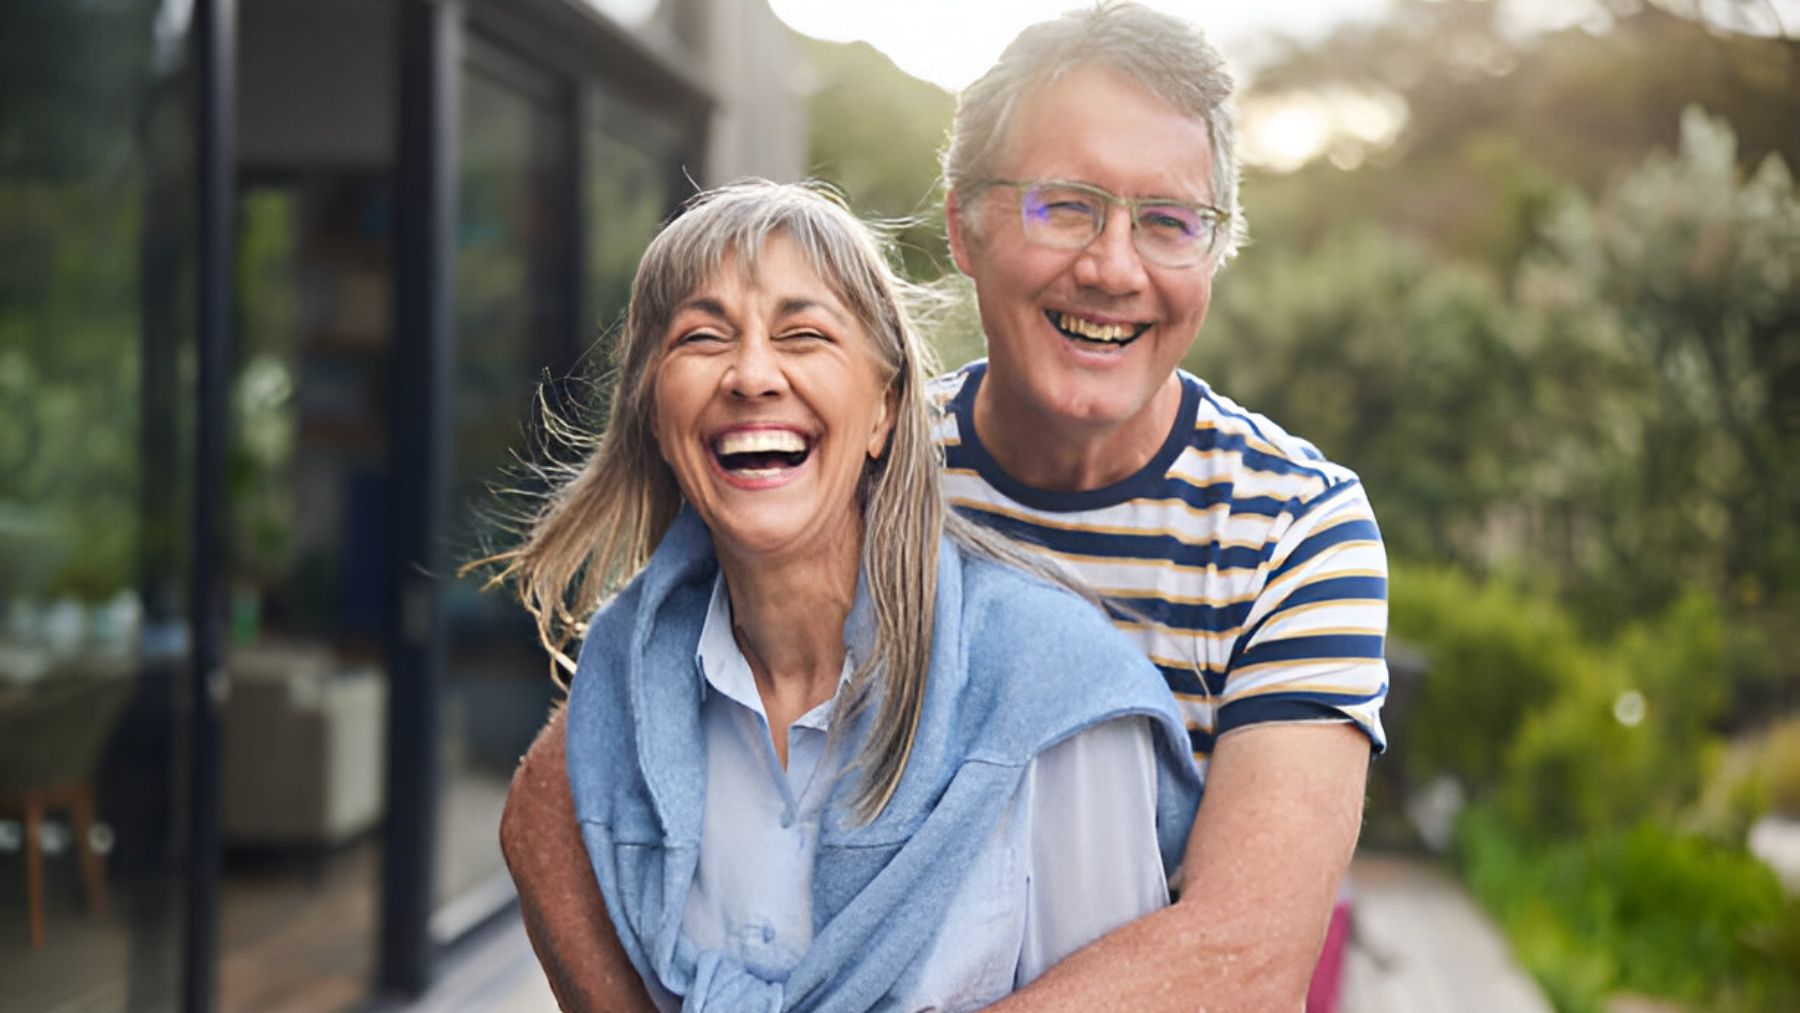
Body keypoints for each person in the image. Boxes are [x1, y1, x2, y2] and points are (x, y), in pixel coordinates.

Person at [501, 4, 1390, 1010]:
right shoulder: (840, 453)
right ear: (965, 222)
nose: (1112, 266)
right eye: (1066, 205)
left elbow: (1242, 957)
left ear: (1212, 254)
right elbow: (571, 778)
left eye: (1168, 221)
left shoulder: (1296, 528)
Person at [482, 179, 1204, 1011]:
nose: (752, 373)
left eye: (804, 334)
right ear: (655, 415)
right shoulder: (624, 697)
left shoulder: (1055, 693)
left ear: (886, 411)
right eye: (703, 336)